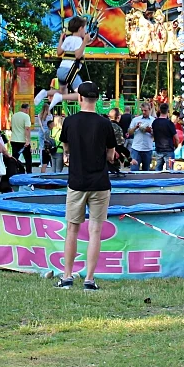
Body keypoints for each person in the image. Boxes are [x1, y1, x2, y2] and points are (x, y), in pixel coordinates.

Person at [55, 82, 117, 291]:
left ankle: (67, 276)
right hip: (100, 182)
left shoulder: (70, 122)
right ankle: (89, 279)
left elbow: (66, 150)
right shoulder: (105, 123)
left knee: (72, 229)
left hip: (77, 182)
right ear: (97, 99)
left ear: (79, 98)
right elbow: (110, 155)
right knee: (95, 231)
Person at [35, 16, 89, 114]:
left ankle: (45, 93)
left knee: (62, 91)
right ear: (80, 28)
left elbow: (59, 52)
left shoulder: (68, 39)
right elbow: (78, 55)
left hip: (61, 70)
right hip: (70, 70)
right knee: (82, 94)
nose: (85, 31)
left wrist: (61, 39)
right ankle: (59, 98)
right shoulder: (78, 40)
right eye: (84, 28)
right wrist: (85, 41)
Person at [128, 103, 155, 171]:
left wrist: (150, 131)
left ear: (149, 110)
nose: (143, 112)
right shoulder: (135, 119)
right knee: (134, 170)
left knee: (146, 171)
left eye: (145, 110)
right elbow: (129, 132)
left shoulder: (153, 120)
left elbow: (157, 135)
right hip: (136, 148)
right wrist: (136, 127)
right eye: (142, 110)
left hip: (147, 149)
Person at [152, 103, 176, 171]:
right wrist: (176, 146)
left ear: (160, 110)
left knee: (158, 169)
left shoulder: (155, 122)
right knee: (170, 170)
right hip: (169, 150)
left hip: (158, 149)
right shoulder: (169, 123)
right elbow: (176, 138)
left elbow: (153, 134)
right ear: (167, 111)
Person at [10, 102, 33, 174]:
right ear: (27, 109)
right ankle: (29, 173)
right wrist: (28, 140)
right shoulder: (26, 116)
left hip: (14, 139)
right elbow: (27, 129)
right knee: (28, 158)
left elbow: (11, 127)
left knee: (15, 158)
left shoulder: (14, 116)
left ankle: (13, 171)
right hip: (23, 141)